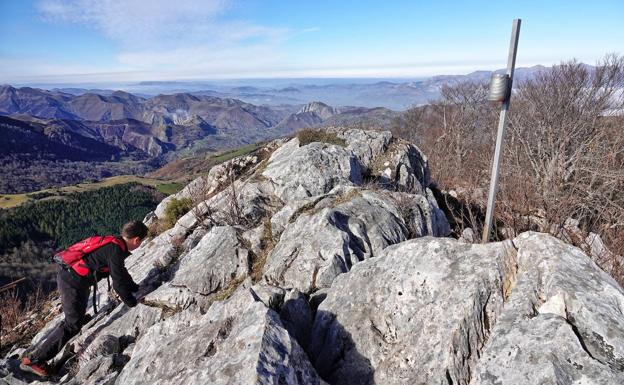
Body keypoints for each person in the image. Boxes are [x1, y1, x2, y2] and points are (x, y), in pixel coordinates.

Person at [20, 221, 148, 378]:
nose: (139, 245)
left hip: (75, 280)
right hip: (72, 282)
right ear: (136, 240)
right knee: (72, 324)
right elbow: (119, 283)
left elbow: (121, 272)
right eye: (141, 242)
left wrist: (135, 288)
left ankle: (42, 355)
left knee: (76, 320)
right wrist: (132, 303)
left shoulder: (115, 243)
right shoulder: (116, 250)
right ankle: (33, 360)